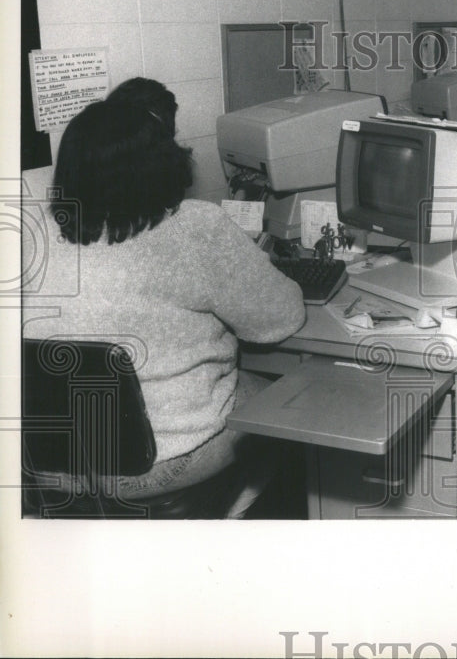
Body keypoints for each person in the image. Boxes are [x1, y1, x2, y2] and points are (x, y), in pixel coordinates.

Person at [22, 92, 306, 515]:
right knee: (287, 402)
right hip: (160, 466)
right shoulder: (195, 227)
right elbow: (279, 320)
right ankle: (229, 517)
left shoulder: (31, 236)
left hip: (46, 467)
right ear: (162, 165)